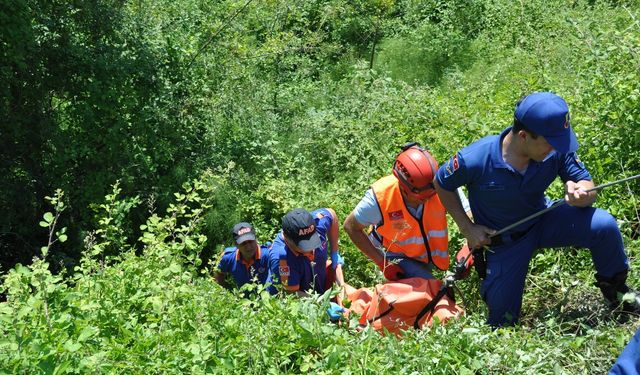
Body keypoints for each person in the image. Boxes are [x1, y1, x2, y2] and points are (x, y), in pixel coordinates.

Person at [433, 91, 638, 327]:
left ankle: (619, 295)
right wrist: (467, 228)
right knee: (502, 322)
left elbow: (587, 185)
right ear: (523, 136)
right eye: (550, 143)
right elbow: (441, 182)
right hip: (505, 242)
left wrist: (580, 194)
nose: (555, 149)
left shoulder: (555, 148)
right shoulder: (476, 159)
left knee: (603, 225)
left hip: (543, 220)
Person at [343, 143, 455, 281]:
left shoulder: (441, 185)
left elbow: (468, 211)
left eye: (432, 193)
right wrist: (382, 262)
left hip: (427, 256)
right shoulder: (380, 198)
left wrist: (469, 243)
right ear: (404, 187)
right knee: (432, 289)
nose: (428, 198)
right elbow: (350, 226)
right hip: (395, 256)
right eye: (422, 196)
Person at [267, 207, 345, 297]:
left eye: (312, 241)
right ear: (287, 238)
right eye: (303, 246)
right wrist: (323, 303)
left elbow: (332, 214)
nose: (309, 249)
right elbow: (291, 294)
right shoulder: (281, 258)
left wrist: (334, 252)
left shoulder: (317, 221)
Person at [214, 222, 271, 294]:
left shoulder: (267, 254)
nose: (248, 247)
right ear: (236, 245)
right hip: (241, 300)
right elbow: (219, 273)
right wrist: (222, 292)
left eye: (250, 241)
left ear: (256, 239)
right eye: (243, 243)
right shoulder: (228, 257)